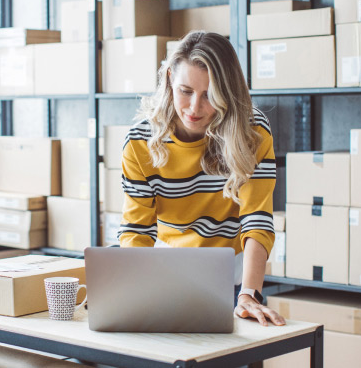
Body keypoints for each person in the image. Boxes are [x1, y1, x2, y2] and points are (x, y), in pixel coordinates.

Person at [117, 30, 285, 327]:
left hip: (234, 278)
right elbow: (136, 231)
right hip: (167, 270)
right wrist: (129, 286)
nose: (195, 108)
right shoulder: (140, 142)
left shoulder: (252, 133)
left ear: (228, 93)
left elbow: (257, 220)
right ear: (169, 79)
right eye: (185, 91)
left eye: (209, 95)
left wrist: (249, 294)